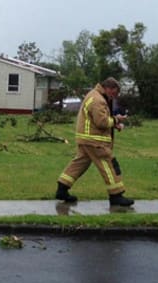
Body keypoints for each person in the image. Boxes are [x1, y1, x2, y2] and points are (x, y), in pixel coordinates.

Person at [55, 77, 134, 207]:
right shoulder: (98, 100)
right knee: (109, 165)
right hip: (95, 141)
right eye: (114, 93)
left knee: (79, 164)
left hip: (86, 139)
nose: (113, 97)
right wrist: (116, 120)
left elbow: (96, 120)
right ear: (108, 88)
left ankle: (62, 189)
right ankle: (116, 195)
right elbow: (101, 122)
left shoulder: (93, 95)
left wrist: (113, 124)